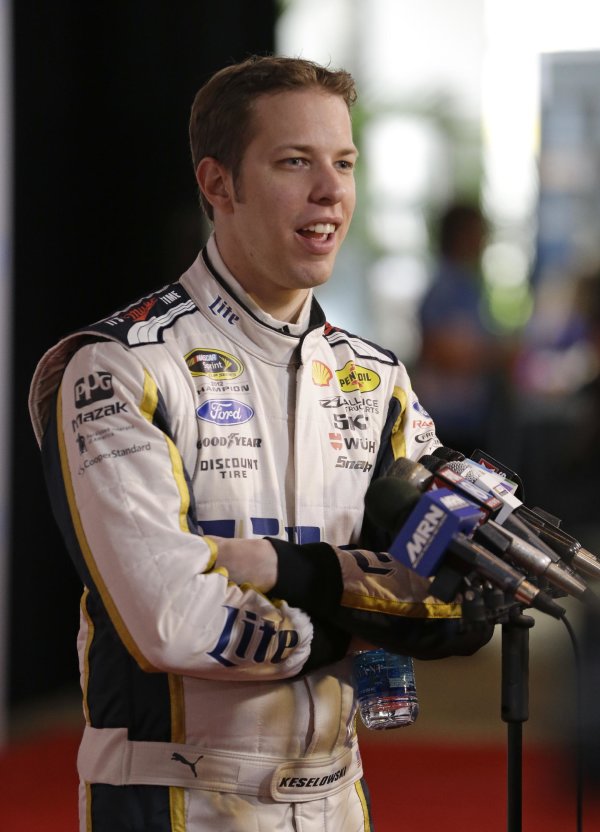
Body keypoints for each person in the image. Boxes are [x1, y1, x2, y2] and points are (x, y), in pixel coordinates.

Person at [29, 56, 492, 832]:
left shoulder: (375, 379)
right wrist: (362, 610)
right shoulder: (116, 365)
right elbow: (175, 622)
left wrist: (299, 576)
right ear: (218, 185)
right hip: (178, 802)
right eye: (293, 162)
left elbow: (459, 597)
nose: (331, 191)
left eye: (343, 162)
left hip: (342, 797)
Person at [415, 202, 511, 458]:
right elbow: (441, 351)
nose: (483, 240)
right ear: (460, 236)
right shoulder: (446, 288)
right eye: (477, 232)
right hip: (449, 419)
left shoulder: (469, 285)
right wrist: (497, 353)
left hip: (468, 418)